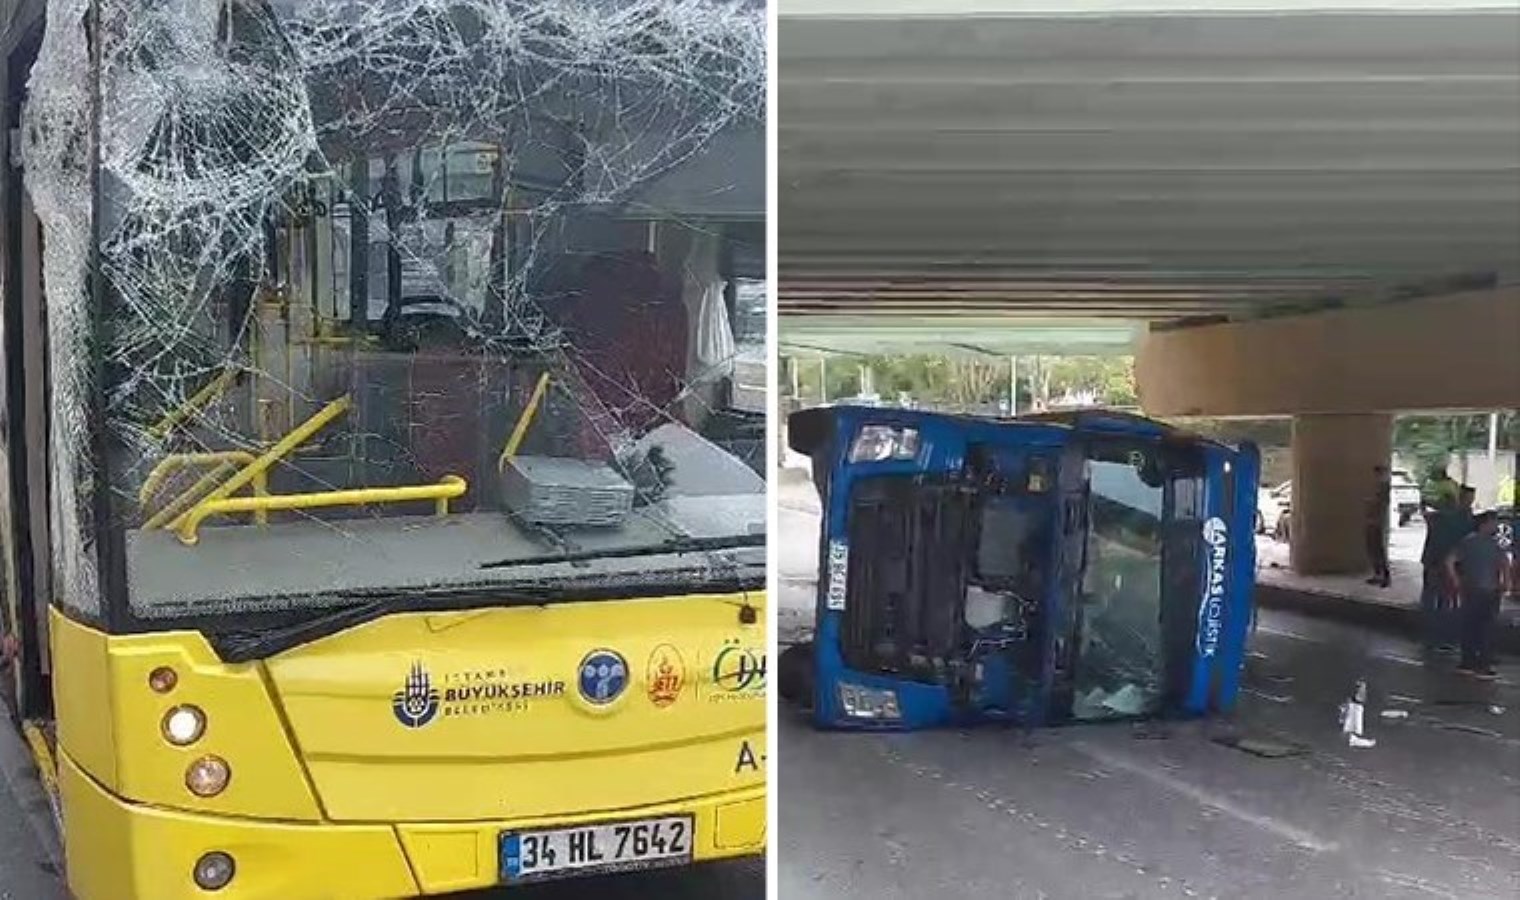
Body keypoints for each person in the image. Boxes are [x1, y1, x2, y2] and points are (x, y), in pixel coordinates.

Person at [1446, 511, 1510, 678]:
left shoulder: (1467, 542)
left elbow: (1450, 561)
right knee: (1485, 627)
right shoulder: (1493, 544)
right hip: (1488, 590)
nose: (1496, 526)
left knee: (1470, 625)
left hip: (1472, 589)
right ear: (1484, 524)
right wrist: (1505, 582)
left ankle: (1468, 661)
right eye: (1493, 523)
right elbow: (1504, 564)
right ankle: (1483, 663)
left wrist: (1456, 580)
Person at [1419, 486, 1476, 651]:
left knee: (1435, 601)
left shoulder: (1440, 517)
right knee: (1443, 602)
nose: (1470, 503)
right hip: (1443, 564)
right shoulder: (1458, 520)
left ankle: (1433, 638)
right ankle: (1440, 637)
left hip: (1436, 563)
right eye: (1468, 499)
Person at [1365, 465, 1392, 588]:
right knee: (1373, 548)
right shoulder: (1378, 486)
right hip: (1373, 520)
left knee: (1378, 549)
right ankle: (1378, 574)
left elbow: (1380, 504)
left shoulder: (1383, 487)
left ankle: (1385, 576)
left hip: (1378, 521)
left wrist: (1371, 502)